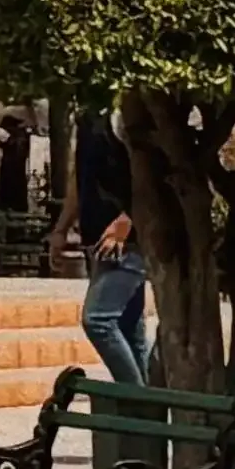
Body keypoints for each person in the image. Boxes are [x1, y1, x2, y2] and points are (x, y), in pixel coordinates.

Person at [73, 113, 147, 384]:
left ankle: (134, 397)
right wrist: (62, 227)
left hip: (126, 241)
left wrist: (127, 220)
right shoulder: (87, 117)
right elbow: (80, 178)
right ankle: (147, 409)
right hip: (101, 239)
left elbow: (151, 174)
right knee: (130, 329)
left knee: (98, 320)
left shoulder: (121, 115)